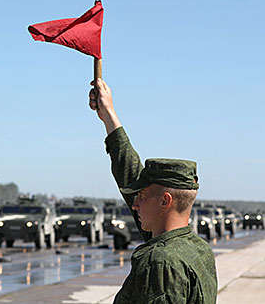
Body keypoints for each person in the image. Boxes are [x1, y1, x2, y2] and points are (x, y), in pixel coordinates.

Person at [88, 78, 217, 304]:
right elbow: (129, 172)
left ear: (165, 201)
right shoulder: (196, 249)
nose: (135, 204)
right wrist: (108, 115)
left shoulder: (162, 261)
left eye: (141, 196)